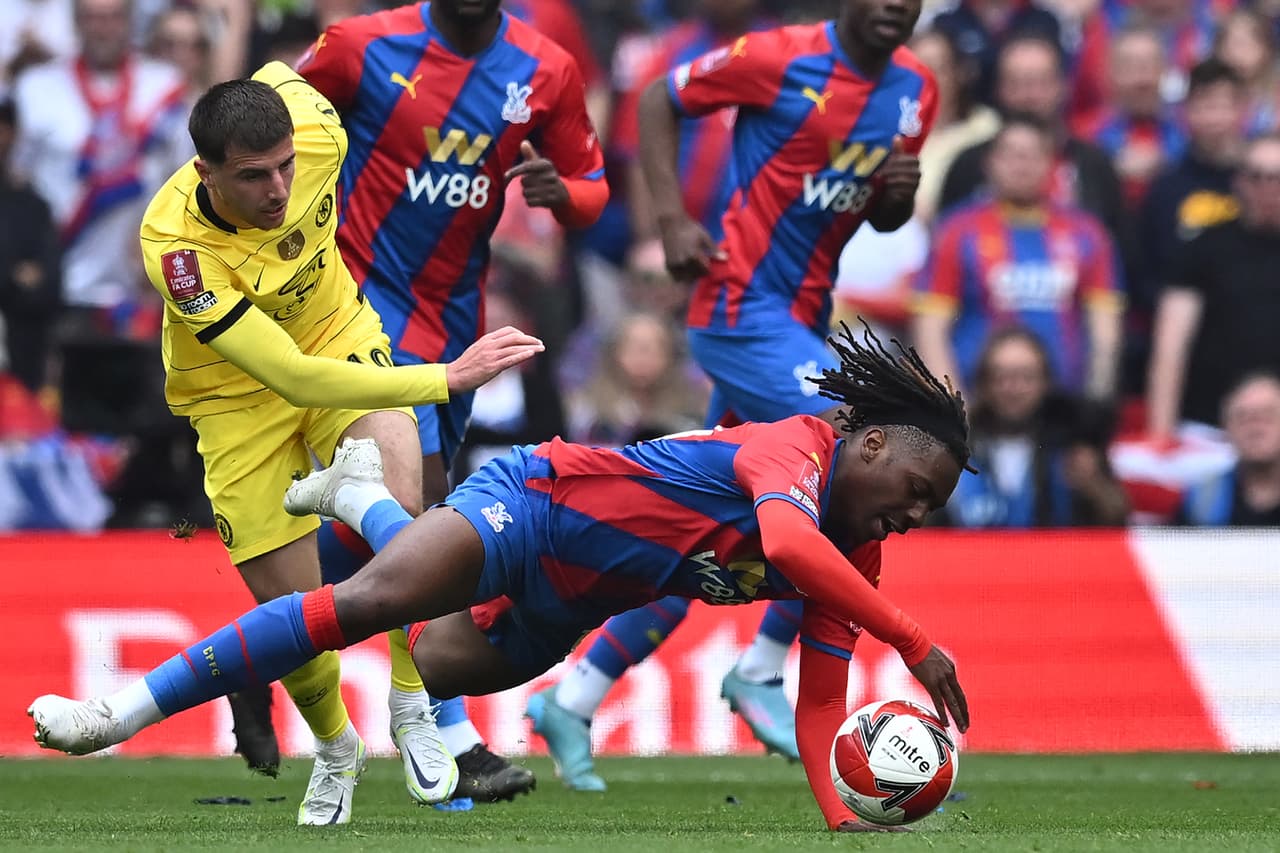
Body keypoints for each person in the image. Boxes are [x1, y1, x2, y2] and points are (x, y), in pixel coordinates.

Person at [28, 321, 973, 834]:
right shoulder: (793, 449)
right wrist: (914, 639)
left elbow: (822, 698)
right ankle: (117, 712)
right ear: (871, 444)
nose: (916, 513)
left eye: (930, 508)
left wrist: (841, 817)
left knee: (432, 661)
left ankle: (363, 501)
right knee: (366, 604)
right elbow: (788, 545)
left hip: (569, 603)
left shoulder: (856, 555)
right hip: (537, 503)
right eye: (917, 489)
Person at [528, 0, 940, 791]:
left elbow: (884, 219)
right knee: (851, 455)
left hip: (801, 318)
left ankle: (571, 699)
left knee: (698, 531)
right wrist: (671, 221)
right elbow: (660, 98)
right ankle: (759, 668)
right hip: (738, 308)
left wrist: (895, 196)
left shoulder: (917, 89)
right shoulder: (780, 56)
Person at [133, 62, 543, 824]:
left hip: (337, 334)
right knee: (293, 611)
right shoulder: (175, 248)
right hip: (236, 397)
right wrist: (446, 377)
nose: (279, 189)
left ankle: (414, 703)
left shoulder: (316, 124)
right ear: (206, 173)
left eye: (285, 167)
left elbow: (311, 71)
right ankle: (335, 746)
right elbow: (289, 375)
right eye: (253, 176)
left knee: (402, 502)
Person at [292, 0, 608, 803]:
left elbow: (592, 189)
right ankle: (449, 733)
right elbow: (263, 133)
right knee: (424, 509)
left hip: (457, 322)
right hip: (358, 307)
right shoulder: (359, 47)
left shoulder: (546, 69)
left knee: (379, 528)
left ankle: (273, 632)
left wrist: (561, 194)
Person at [911, 115, 1124, 401]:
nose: (1021, 165)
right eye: (1011, 154)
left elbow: (1104, 330)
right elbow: (930, 329)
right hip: (977, 404)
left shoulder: (1088, 233)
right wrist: (954, 407)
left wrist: (1097, 401)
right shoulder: (955, 231)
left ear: (1051, 164)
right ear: (990, 163)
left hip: (1062, 406)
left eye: (1032, 155)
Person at [1146, 133, 1280, 438]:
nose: (1268, 188)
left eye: (1277, 178)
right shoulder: (1202, 247)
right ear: (1238, 182)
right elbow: (1170, 346)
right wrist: (1161, 432)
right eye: (1257, 176)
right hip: (1209, 427)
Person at [940, 326, 1129, 527]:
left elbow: (1118, 517)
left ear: (1046, 382)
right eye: (1001, 376)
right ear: (983, 384)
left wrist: (1093, 485)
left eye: (1026, 377)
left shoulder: (1073, 441)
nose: (1014, 388)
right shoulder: (954, 448)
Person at [1178, 371, 1280, 526]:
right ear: (1227, 429)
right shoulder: (1204, 500)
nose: (1255, 429)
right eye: (1243, 418)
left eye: (1268, 416)